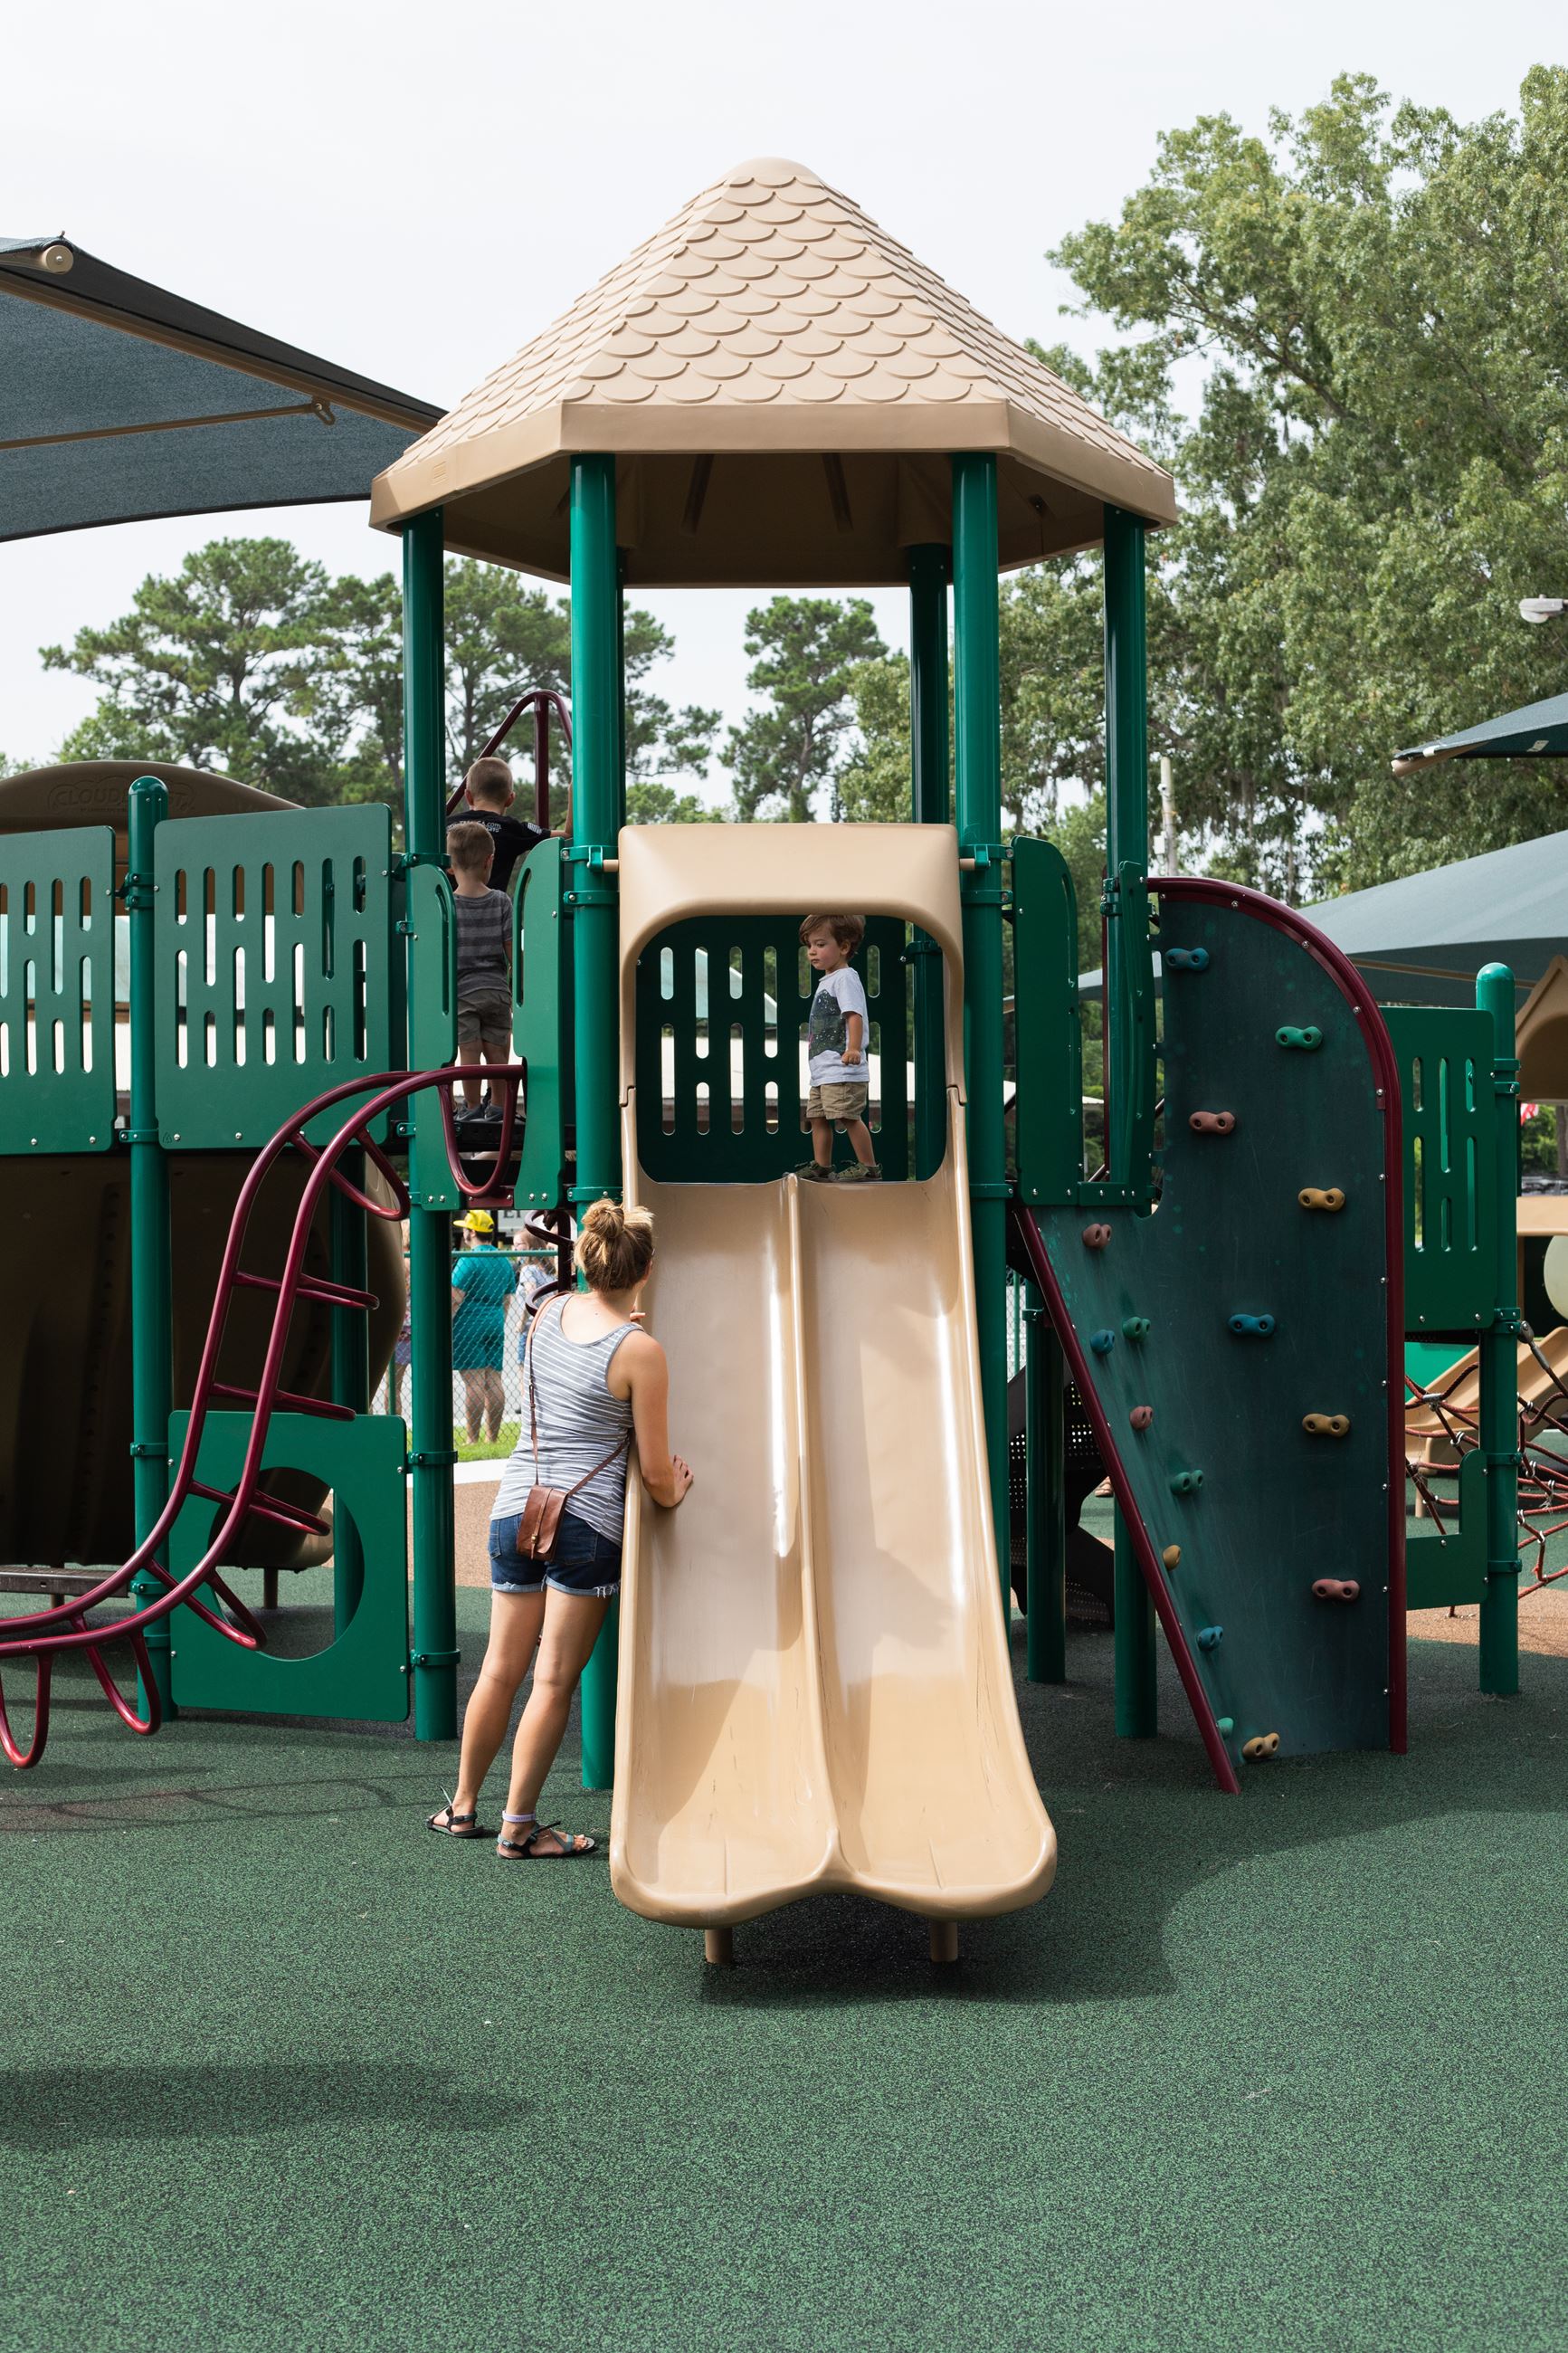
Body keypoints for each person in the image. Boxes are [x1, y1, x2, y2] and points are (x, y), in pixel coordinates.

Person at [428, 1200, 693, 1858]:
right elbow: (656, 1476)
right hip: (584, 1522)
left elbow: (576, 1356)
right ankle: (519, 1828)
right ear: (648, 1269)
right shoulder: (642, 1352)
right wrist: (677, 1487)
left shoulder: (548, 1313)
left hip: (516, 1505)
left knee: (499, 1669)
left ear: (583, 1262)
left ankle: (461, 1807)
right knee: (552, 1680)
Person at [797, 911, 879, 1184]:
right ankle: (822, 1166)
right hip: (824, 1071)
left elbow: (853, 1014)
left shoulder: (845, 978)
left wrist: (854, 1048)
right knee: (818, 1118)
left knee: (847, 1116)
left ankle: (869, 1166)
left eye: (820, 944)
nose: (812, 951)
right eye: (809, 945)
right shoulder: (828, 980)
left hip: (843, 1068)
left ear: (844, 947)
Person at [447, 819, 513, 1120]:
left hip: (461, 992)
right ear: (490, 861)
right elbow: (512, 952)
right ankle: (499, 1106)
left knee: (469, 1048)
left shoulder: (448, 906)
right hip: (497, 990)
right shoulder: (502, 901)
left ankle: (472, 1107)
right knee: (497, 1048)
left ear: (452, 865)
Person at [450, 1210, 518, 1444]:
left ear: (471, 1232)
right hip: (495, 1320)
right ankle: (493, 1438)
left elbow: (454, 1298)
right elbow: (508, 1299)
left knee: (474, 1383)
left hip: (468, 1323)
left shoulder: (467, 1260)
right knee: (494, 1381)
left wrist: (444, 1328)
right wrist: (498, 1319)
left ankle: (472, 1439)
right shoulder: (503, 1261)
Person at [462, 755, 558, 895]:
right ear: (510, 799)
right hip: (494, 913)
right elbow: (568, 834)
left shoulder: (446, 827)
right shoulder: (512, 829)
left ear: (468, 796)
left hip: (445, 915)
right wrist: (573, 789)